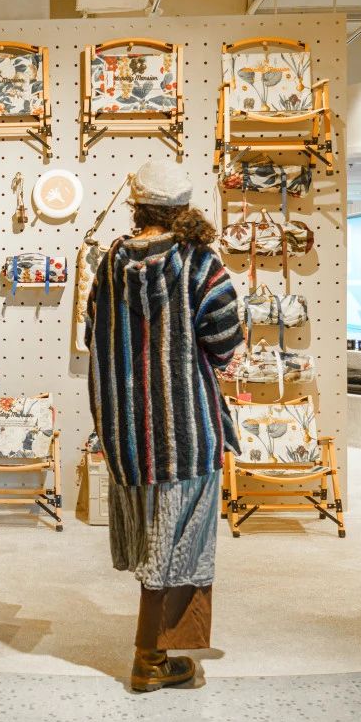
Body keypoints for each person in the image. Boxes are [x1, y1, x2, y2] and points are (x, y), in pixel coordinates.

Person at [85, 160, 242, 692]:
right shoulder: (200, 263)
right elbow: (225, 338)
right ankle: (150, 658)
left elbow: (93, 333)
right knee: (180, 545)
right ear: (181, 208)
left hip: (129, 436)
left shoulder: (110, 263)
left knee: (156, 539)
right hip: (187, 432)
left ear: (138, 206)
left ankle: (156, 652)